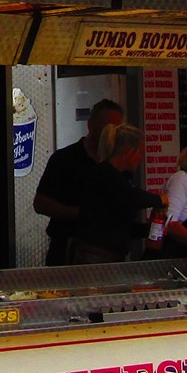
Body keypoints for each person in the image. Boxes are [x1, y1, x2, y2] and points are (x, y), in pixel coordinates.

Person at [32, 98, 124, 266]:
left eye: (117, 129)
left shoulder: (117, 164)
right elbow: (40, 204)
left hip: (107, 251)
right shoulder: (65, 159)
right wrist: (82, 213)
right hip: (67, 248)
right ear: (90, 125)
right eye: (107, 127)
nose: (112, 133)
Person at [72, 123, 160, 263]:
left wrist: (147, 230)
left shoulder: (119, 178)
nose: (140, 158)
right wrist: (160, 199)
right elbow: (131, 197)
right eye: (140, 153)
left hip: (110, 255)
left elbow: (118, 225)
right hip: (95, 257)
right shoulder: (105, 174)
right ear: (130, 152)